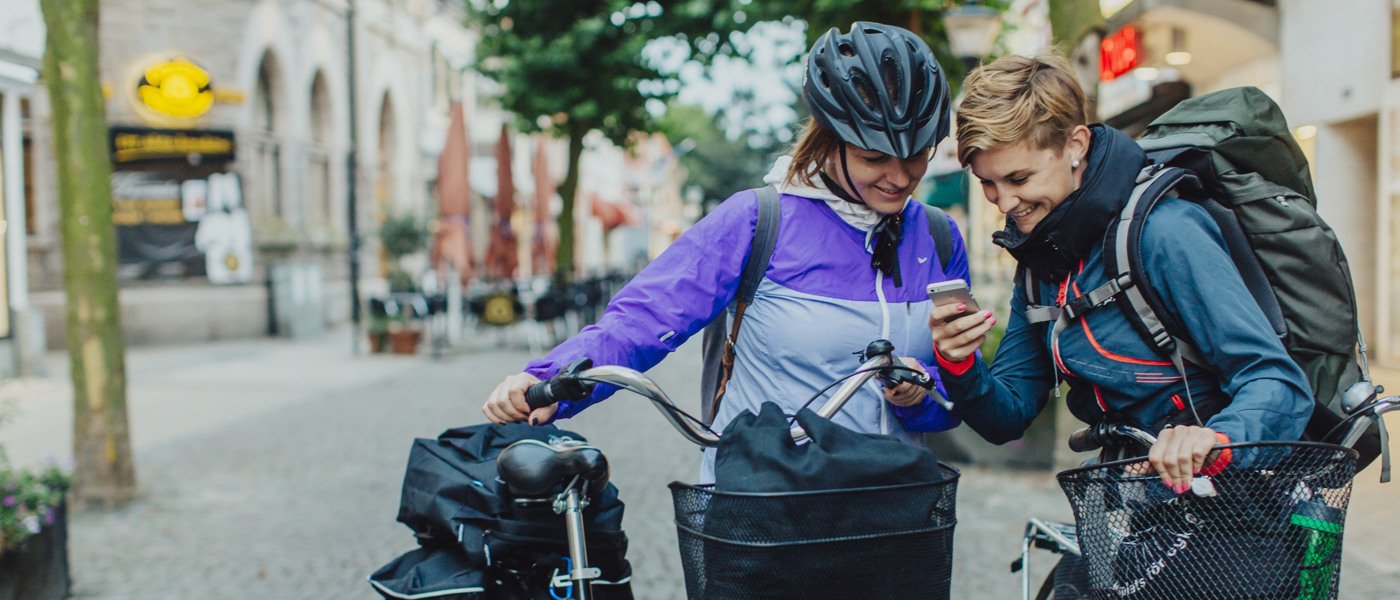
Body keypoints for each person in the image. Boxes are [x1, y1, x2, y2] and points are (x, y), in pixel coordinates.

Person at [484, 22, 965, 482]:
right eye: (874, 157)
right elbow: (642, 320)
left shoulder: (939, 237)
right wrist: (546, 381)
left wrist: (918, 397)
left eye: (917, 153)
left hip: (894, 516)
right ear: (829, 140)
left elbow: (956, 397)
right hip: (768, 508)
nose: (901, 177)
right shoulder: (757, 222)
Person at [929, 53, 1314, 493]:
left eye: (1019, 178)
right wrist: (958, 362)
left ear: (1075, 146)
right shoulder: (1041, 262)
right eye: (988, 183)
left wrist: (1214, 439)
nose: (1004, 202)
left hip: (1232, 513)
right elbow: (1007, 417)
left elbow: (1276, 381)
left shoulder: (1164, 231)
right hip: (1135, 505)